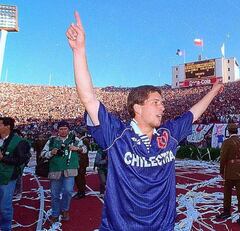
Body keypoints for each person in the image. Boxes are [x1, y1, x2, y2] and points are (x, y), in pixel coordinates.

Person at [66, 11, 224, 230]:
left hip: (163, 226)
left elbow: (193, 113)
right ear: (137, 108)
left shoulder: (169, 134)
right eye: (156, 102)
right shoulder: (116, 134)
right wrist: (79, 51)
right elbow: (89, 98)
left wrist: (214, 91)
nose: (163, 107)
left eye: (162, 102)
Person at [41, 120, 87, 224]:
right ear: (57, 130)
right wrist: (51, 153)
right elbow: (43, 154)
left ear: (68, 129)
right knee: (54, 194)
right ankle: (55, 214)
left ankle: (65, 209)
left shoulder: (75, 139)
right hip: (55, 170)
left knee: (68, 191)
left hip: (69, 169)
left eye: (65, 129)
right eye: (61, 129)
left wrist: (77, 148)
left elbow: (85, 149)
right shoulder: (51, 140)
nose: (63, 131)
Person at [0, 117, 31, 231]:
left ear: (8, 127)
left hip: (7, 178)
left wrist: (3, 158)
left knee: (4, 207)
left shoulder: (19, 142)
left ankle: (5, 228)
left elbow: (21, 160)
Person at [216, 123, 240, 227]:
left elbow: (223, 158)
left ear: (229, 131)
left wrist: (221, 170)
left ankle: (226, 212)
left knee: (227, 193)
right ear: (237, 131)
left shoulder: (226, 142)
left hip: (230, 170)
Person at [73, 127, 90, 199]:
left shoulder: (84, 140)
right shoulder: (83, 140)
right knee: (79, 177)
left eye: (77, 133)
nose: (76, 135)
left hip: (81, 161)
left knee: (80, 177)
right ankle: (81, 190)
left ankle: (81, 192)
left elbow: (83, 152)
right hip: (81, 161)